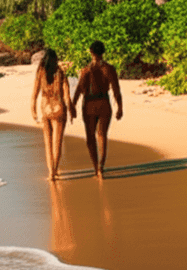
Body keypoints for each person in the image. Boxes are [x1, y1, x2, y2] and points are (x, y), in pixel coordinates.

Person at [71, 40, 123, 179]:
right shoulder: (109, 69)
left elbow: (79, 90)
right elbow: (116, 90)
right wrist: (119, 108)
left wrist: (73, 106)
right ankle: (101, 166)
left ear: (91, 52)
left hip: (89, 104)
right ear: (103, 52)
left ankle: (95, 168)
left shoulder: (86, 70)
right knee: (102, 135)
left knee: (90, 138)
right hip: (104, 103)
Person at [31, 49, 73, 181]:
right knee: (57, 143)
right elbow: (66, 94)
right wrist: (71, 110)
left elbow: (34, 94)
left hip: (45, 107)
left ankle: (51, 173)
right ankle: (54, 170)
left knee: (47, 144)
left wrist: (33, 110)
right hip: (58, 106)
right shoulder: (60, 72)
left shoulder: (40, 72)